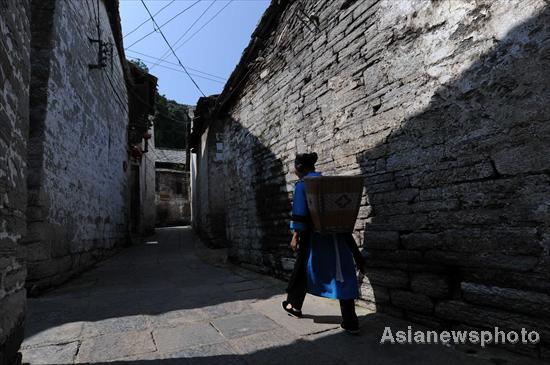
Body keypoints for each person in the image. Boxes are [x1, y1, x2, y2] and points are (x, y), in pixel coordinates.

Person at [283, 152, 365, 334]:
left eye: (295, 167)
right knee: (342, 273)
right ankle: (350, 320)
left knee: (303, 269)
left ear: (299, 168)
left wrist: (295, 235)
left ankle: (294, 306)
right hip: (339, 235)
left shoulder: (304, 186)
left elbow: (300, 214)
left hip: (315, 238)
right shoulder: (329, 183)